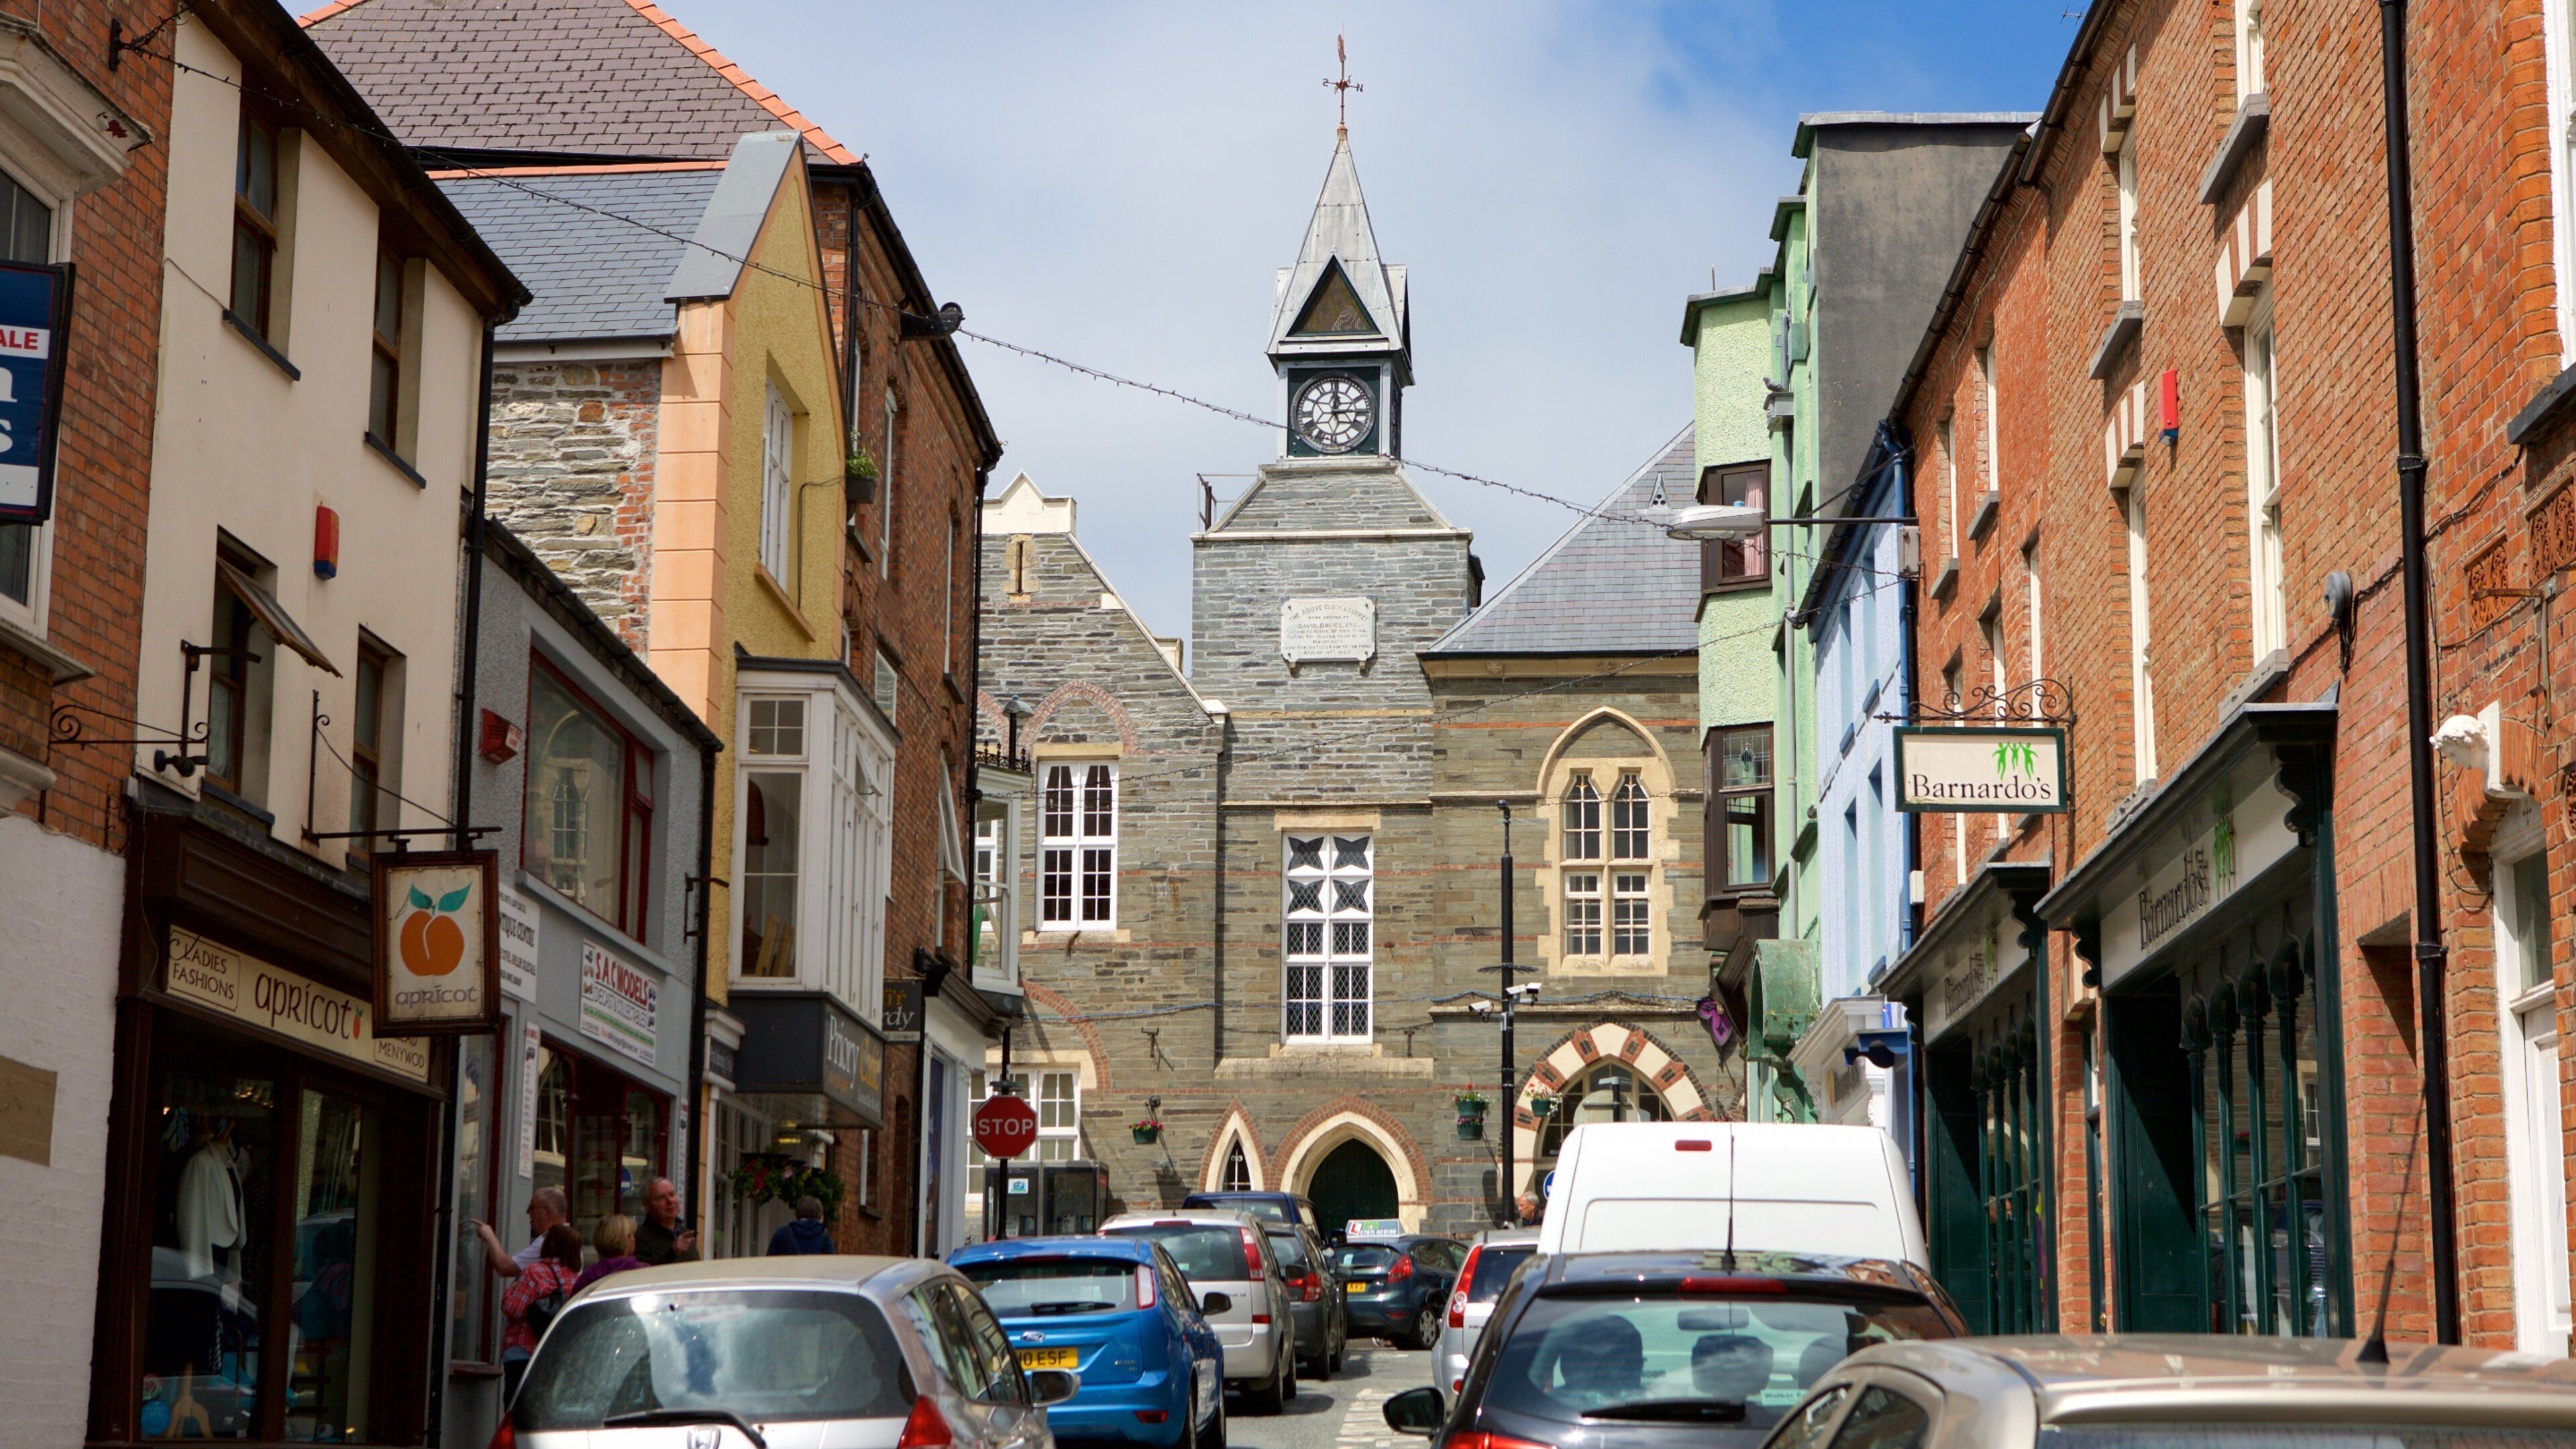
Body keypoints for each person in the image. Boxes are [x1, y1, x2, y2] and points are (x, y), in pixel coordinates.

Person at [499, 1223, 581, 1403]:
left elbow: (513, 1309)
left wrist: (509, 1291)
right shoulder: (576, 1278)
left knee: (516, 1408)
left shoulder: (534, 1272)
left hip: (523, 1350)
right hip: (554, 1354)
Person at [473, 1186, 570, 1282]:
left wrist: (490, 1236)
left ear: (546, 1212)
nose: (528, 1212)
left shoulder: (551, 1241)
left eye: (532, 1207)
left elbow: (505, 1268)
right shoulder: (569, 1238)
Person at [635, 1176, 700, 1265]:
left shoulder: (684, 1232)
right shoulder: (641, 1239)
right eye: (661, 1198)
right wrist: (672, 1253)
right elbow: (645, 1274)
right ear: (647, 1206)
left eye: (672, 1194)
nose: (670, 1201)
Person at [573, 1214, 644, 1292]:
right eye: (633, 1235)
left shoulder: (587, 1277)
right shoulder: (642, 1272)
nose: (635, 1239)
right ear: (626, 1239)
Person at [767, 1196, 836, 1255]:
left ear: (797, 1213)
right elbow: (830, 1267)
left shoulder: (782, 1234)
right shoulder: (825, 1237)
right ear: (819, 1216)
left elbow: (768, 1263)